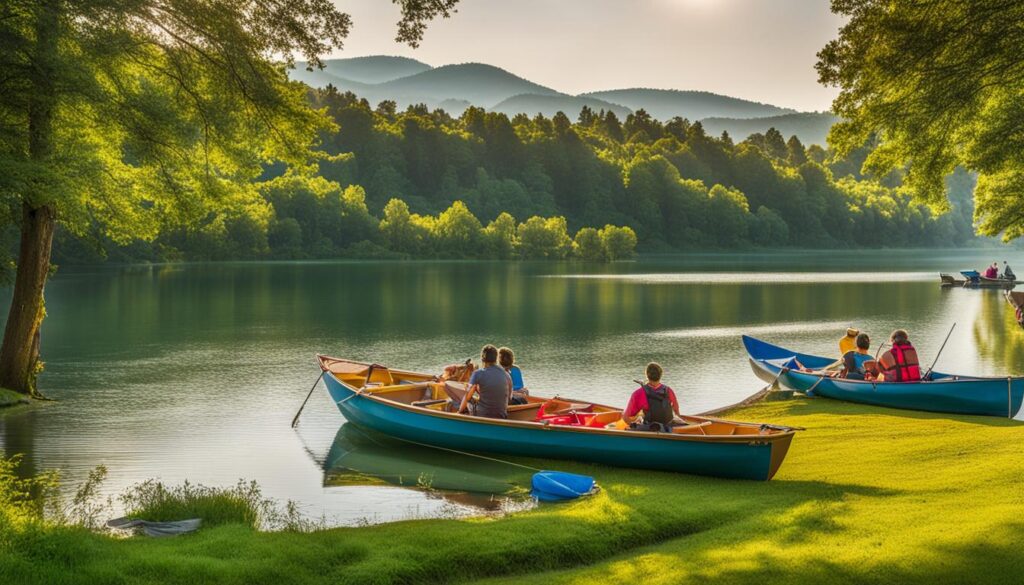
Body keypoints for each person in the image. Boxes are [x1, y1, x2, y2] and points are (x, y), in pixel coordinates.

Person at [623, 362, 681, 431]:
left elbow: (625, 417)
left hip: (650, 429)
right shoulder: (669, 390)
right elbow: (677, 412)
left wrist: (633, 425)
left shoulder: (638, 393)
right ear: (661, 375)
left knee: (629, 421)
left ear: (647, 375)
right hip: (668, 429)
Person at [459, 344, 512, 418]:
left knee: (468, 398)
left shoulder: (478, 373)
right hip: (501, 415)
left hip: (482, 414)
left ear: (482, 358)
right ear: (496, 358)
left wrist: (460, 411)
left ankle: (460, 413)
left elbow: (467, 395)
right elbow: (509, 398)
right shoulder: (507, 375)